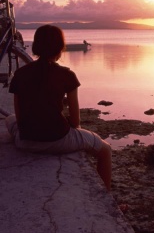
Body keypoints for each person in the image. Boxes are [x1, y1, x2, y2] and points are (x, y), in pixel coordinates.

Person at [6, 24, 112, 191]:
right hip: (57, 141)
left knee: (9, 119)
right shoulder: (67, 75)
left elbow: (19, 117)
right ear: (60, 48)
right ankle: (108, 196)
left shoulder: (20, 74)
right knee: (105, 149)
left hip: (24, 141)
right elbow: (76, 122)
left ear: (36, 46)